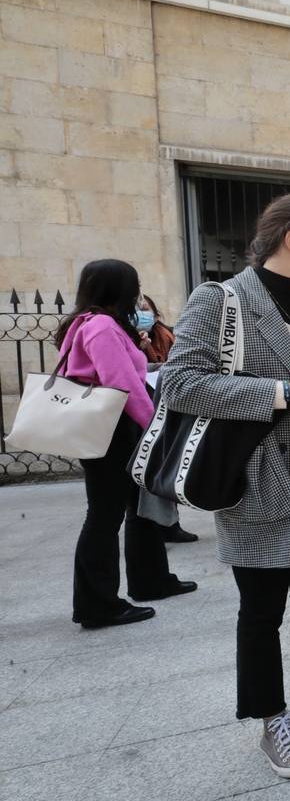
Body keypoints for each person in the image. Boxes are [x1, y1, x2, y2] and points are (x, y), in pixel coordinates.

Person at [159, 192, 290, 780]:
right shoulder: (220, 301)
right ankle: (270, 718)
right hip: (258, 474)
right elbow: (177, 385)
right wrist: (282, 393)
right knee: (261, 607)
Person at [57, 260, 197, 629]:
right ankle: (98, 604)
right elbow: (123, 383)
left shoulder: (86, 322)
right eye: (134, 287)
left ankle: (151, 580)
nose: (138, 296)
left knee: (139, 504)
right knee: (106, 515)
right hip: (115, 427)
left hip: (116, 426)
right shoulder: (101, 325)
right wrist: (155, 423)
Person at [135, 294, 199, 545]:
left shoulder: (166, 335)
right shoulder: (128, 337)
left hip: (166, 408)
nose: (143, 313)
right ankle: (157, 526)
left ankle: (170, 524)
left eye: (146, 309)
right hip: (146, 411)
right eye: (139, 309)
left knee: (166, 465)